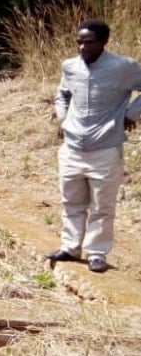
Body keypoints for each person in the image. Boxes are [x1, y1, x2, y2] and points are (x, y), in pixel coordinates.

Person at [47, 18, 141, 273]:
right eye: (79, 42)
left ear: (103, 42)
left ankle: (97, 253)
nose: (82, 47)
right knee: (71, 202)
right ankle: (70, 247)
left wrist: (132, 113)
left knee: (102, 206)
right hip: (72, 147)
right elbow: (62, 93)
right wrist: (64, 118)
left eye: (88, 42)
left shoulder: (124, 67)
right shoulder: (70, 66)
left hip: (106, 147)